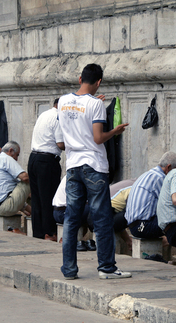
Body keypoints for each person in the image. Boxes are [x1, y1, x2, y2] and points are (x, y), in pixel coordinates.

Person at [57, 63, 131, 280]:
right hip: (94, 166)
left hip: (72, 166)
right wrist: (114, 131)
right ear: (98, 82)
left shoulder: (62, 101)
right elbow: (98, 138)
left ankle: (69, 269)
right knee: (102, 218)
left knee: (71, 219)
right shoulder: (96, 105)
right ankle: (106, 267)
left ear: (80, 78)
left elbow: (72, 120)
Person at [28, 98, 64, 241]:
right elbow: (60, 144)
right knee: (49, 197)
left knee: (37, 198)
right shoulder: (58, 117)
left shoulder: (44, 114)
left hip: (34, 159)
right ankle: (50, 232)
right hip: (47, 161)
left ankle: (38, 232)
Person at [125, 152, 176, 239]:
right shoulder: (160, 178)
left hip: (134, 226)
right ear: (169, 167)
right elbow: (173, 204)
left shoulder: (148, 174)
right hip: (143, 226)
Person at [0, 141, 31, 217]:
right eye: (17, 155)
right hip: (5, 206)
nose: (16, 159)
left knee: (22, 187)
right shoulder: (6, 158)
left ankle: (36, 213)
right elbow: (24, 177)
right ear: (11, 150)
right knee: (29, 181)